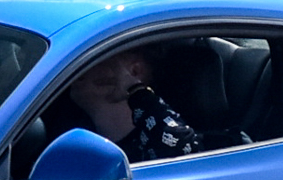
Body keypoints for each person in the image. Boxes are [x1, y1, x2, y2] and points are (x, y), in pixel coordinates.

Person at [48, 46, 199, 162]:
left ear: (134, 71)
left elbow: (181, 145)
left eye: (99, 56)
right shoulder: (68, 131)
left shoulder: (153, 147)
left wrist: (136, 90)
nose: (80, 64)